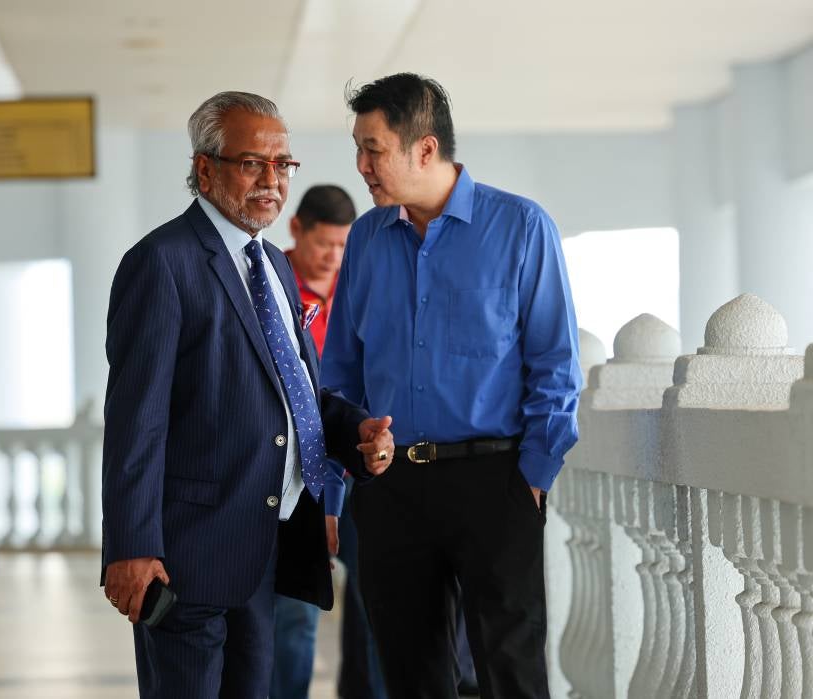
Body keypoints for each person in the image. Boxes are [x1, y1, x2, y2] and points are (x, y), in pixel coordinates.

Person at [100, 91, 395, 698]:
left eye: (282, 165)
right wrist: (131, 548)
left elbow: (295, 389)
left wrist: (352, 431)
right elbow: (137, 420)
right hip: (186, 557)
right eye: (252, 163)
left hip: (266, 549)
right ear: (205, 169)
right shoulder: (162, 263)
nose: (271, 180)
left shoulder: (274, 266)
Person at [321, 73, 582, 699]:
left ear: (426, 149)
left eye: (373, 149)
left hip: (496, 483)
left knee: (510, 670)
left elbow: (555, 364)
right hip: (389, 488)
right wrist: (337, 489)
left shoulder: (521, 227)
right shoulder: (365, 238)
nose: (361, 166)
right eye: (357, 148)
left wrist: (533, 479)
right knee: (409, 675)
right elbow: (340, 376)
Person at [270, 184, 356, 699]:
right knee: (295, 613)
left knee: (374, 610)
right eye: (325, 243)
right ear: (296, 229)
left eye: (343, 246)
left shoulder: (355, 289)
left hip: (356, 470)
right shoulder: (267, 284)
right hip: (296, 475)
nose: (333, 257)